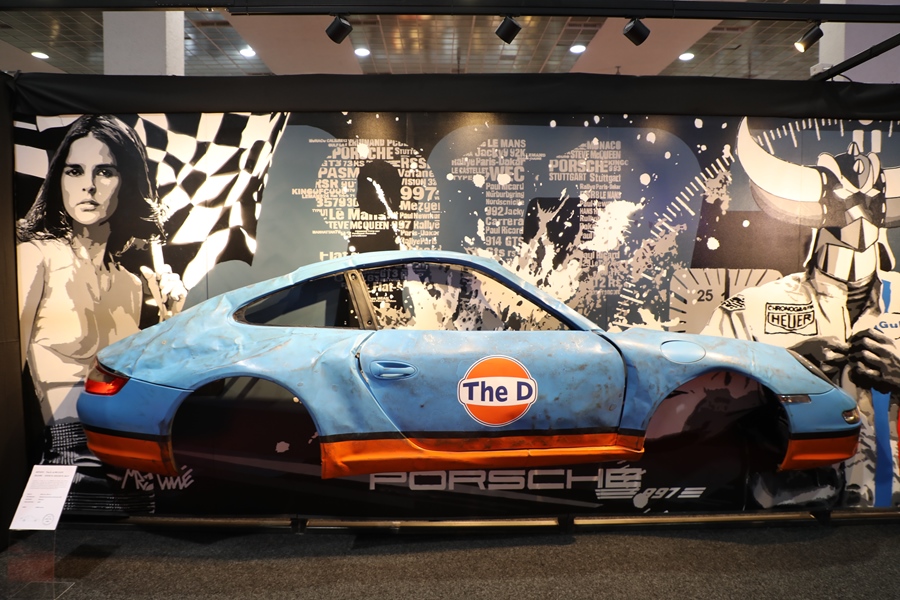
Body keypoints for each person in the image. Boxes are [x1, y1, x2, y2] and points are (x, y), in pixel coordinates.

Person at [702, 118, 900, 508]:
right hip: (790, 515)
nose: (858, 215)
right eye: (843, 201)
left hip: (891, 516)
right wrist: (783, 373)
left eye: (870, 200)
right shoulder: (750, 308)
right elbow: (701, 408)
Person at [17, 114, 185, 478]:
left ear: (127, 181)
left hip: (131, 455)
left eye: (105, 172)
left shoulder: (132, 285)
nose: (88, 186)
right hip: (68, 456)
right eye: (74, 171)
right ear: (59, 179)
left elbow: (155, 391)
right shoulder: (36, 258)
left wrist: (171, 321)